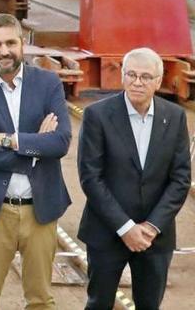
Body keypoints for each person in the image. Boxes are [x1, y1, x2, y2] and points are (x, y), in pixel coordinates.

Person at [0, 13, 71, 310]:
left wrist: (8, 140)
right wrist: (36, 148)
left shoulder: (48, 83)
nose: (4, 50)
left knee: (41, 301)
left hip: (40, 210)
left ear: (23, 43)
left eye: (10, 42)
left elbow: (60, 142)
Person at [78, 47, 191, 310]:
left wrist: (151, 227)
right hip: (106, 232)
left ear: (159, 81)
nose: (137, 82)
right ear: (122, 76)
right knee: (98, 303)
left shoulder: (174, 117)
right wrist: (126, 227)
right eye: (131, 75)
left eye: (145, 77)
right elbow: (90, 178)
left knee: (150, 305)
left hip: (155, 238)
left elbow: (181, 178)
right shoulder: (97, 116)